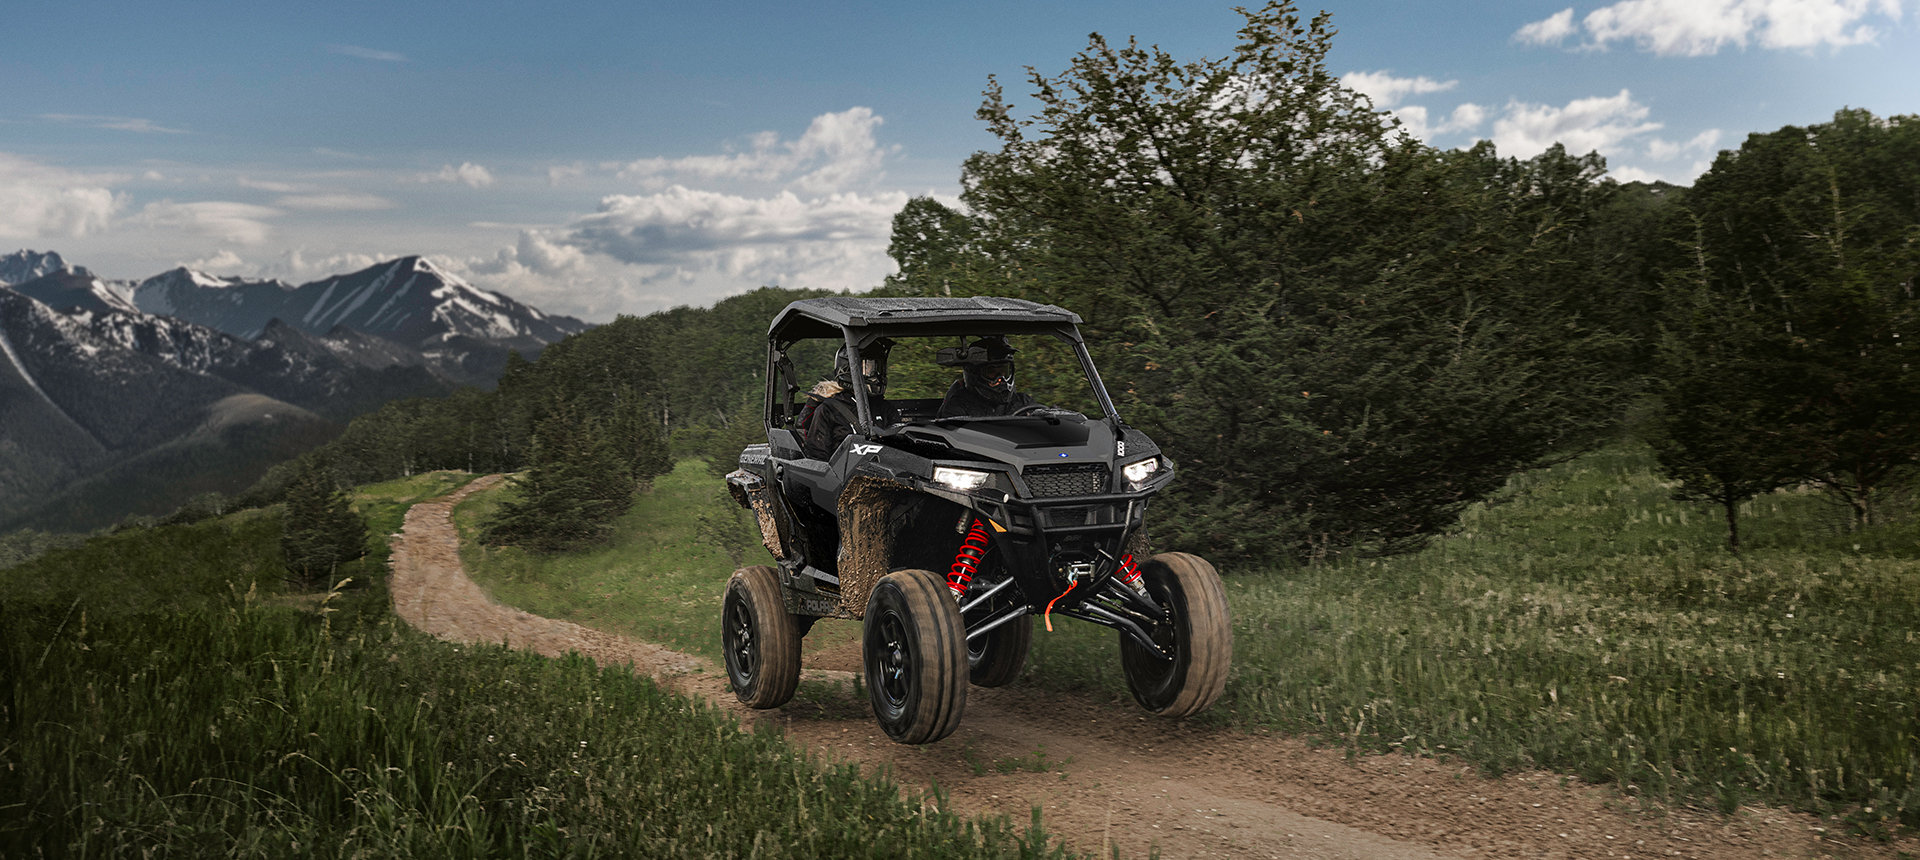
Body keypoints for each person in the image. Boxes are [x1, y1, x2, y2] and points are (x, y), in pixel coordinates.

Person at [802, 341, 892, 459]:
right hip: (844, 475)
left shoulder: (884, 408)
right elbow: (817, 457)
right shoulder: (829, 410)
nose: (876, 375)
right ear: (849, 369)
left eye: (877, 367)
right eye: (869, 367)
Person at [937, 336, 1037, 418]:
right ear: (974, 374)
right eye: (992, 372)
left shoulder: (1023, 402)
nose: (1001, 379)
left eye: (1004, 372)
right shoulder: (958, 406)